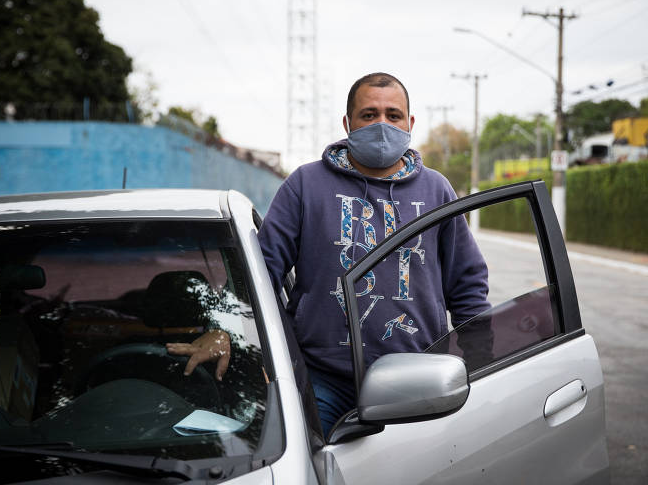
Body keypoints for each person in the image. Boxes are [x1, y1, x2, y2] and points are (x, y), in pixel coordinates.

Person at [168, 72, 491, 436]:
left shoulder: (437, 190)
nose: (382, 125)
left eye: (393, 115)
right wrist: (223, 328)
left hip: (417, 379)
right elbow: (261, 270)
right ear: (347, 122)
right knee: (314, 465)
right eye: (369, 115)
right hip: (324, 378)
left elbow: (467, 285)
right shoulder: (306, 184)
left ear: (410, 123)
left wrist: (485, 361)